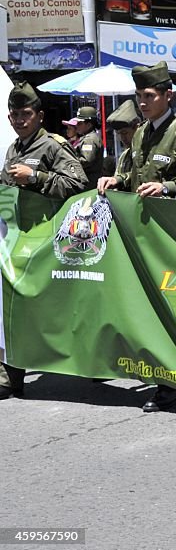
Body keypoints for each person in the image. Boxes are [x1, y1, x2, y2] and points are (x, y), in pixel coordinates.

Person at [97, 61, 176, 414]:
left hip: (174, 240)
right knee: (145, 310)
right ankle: (160, 372)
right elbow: (129, 172)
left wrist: (167, 186)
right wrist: (115, 181)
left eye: (149, 95)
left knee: (171, 312)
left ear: (168, 95)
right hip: (142, 239)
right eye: (139, 96)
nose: (143, 102)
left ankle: (174, 383)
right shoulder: (139, 133)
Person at [0, 82, 88, 400]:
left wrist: (36, 178)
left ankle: (87, 361)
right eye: (15, 115)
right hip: (17, 241)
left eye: (26, 114)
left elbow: (78, 183)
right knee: (12, 307)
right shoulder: (14, 149)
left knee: (51, 311)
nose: (20, 120)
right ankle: (9, 375)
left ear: (38, 116)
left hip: (50, 240)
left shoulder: (52, 146)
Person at [63, 106, 104, 187]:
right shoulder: (88, 137)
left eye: (80, 123)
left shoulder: (89, 140)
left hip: (88, 184)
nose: (77, 125)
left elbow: (86, 161)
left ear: (88, 125)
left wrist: (67, 162)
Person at [106, 100, 142, 176]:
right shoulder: (124, 156)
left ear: (137, 128)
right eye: (118, 134)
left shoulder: (146, 152)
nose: (122, 138)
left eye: (125, 133)